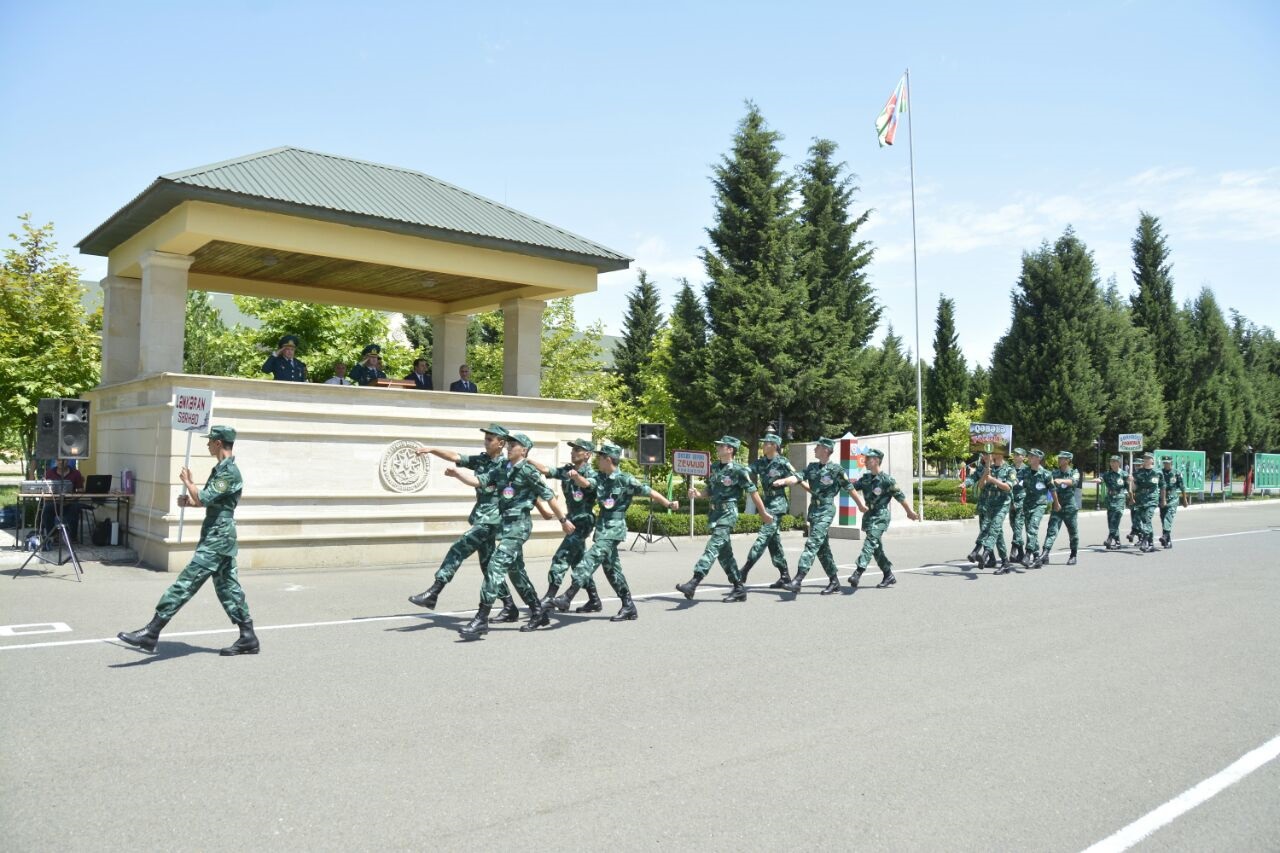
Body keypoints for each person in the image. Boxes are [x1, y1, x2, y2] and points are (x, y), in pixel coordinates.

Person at [117, 426, 258, 656]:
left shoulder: (229, 472)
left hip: (218, 537)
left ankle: (152, 631)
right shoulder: (223, 469)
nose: (208, 444)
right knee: (227, 587)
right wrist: (190, 503)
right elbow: (210, 502)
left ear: (219, 443)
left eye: (211, 440)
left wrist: (189, 482)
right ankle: (248, 637)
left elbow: (204, 497)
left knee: (186, 581)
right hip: (219, 533)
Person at [451, 433, 574, 637]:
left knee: (495, 566)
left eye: (513, 445)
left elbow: (549, 496)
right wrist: (457, 474)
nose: (508, 447)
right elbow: (479, 481)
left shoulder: (528, 470)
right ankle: (538, 612)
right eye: (508, 444)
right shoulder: (502, 468)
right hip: (504, 525)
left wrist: (563, 520)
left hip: (518, 527)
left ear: (524, 450)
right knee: (516, 572)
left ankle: (481, 619)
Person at [549, 441, 678, 623]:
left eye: (600, 457)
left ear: (608, 459)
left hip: (614, 529)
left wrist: (669, 504)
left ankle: (568, 596)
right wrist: (576, 476)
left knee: (591, 558)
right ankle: (628, 606)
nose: (597, 460)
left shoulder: (625, 479)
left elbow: (650, 492)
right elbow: (586, 483)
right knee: (612, 570)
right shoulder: (600, 478)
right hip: (602, 528)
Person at [407, 425, 519, 621]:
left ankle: (434, 592)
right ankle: (509, 606)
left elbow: (479, 482)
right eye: (486, 438)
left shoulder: (504, 466)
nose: (486, 441)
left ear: (501, 443)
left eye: (490, 439)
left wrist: (457, 474)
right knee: (488, 565)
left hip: (492, 519)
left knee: (458, 548)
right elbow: (456, 457)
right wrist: (432, 449)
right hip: (482, 516)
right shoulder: (483, 459)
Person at [676, 436, 771, 602]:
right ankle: (739, 587)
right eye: (718, 446)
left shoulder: (739, 470)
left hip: (728, 514)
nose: (718, 448)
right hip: (715, 514)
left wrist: (762, 513)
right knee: (724, 554)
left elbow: (753, 491)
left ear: (730, 449)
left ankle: (694, 582)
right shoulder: (714, 468)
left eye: (722, 446)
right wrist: (698, 494)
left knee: (712, 547)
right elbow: (710, 490)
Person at [526, 438, 602, 613]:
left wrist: (578, 477)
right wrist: (528, 460)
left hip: (583, 521)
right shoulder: (567, 470)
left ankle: (549, 597)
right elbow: (547, 470)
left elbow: (587, 484)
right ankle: (594, 600)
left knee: (562, 556)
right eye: (572, 449)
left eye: (577, 449)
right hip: (572, 518)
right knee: (577, 562)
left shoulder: (592, 474)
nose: (573, 452)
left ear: (587, 455)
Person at [773, 437, 854, 595]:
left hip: (826, 510)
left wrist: (861, 505)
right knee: (822, 549)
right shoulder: (812, 467)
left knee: (812, 543)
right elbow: (797, 477)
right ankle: (834, 581)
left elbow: (849, 488)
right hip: (815, 511)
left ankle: (798, 579)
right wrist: (784, 480)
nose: (815, 448)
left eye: (818, 446)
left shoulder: (836, 469)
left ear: (825, 450)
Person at [848, 447, 920, 587]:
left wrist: (909, 512)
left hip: (881, 516)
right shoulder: (866, 478)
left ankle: (858, 572)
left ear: (876, 461)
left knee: (870, 542)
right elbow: (850, 487)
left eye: (868, 459)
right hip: (869, 515)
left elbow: (900, 497)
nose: (865, 462)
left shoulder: (887, 480)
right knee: (876, 548)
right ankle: (888, 575)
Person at [740, 433, 796, 589]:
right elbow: (747, 469)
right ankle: (784, 575)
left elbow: (796, 476)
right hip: (767, 504)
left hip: (777, 505)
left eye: (766, 443)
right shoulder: (761, 462)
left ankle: (744, 570)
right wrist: (742, 473)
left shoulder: (783, 463)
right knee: (773, 542)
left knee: (764, 536)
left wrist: (784, 481)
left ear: (774, 445)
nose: (763, 445)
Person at [976, 447, 1016, 573]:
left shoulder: (1010, 469)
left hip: (1003, 504)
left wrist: (992, 479)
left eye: (995, 452)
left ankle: (985, 553)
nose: (991, 454)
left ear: (1002, 454)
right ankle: (1005, 562)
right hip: (990, 504)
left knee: (994, 528)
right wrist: (985, 473)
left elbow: (1008, 487)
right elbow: (981, 486)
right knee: (998, 534)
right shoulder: (990, 468)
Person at [1041, 451, 1081, 565]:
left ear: (1068, 460)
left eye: (1062, 458)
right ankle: (1045, 553)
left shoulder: (1074, 472)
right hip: (1057, 505)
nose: (1059, 460)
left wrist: (1062, 480)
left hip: (1070, 506)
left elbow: (1074, 481)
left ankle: (1073, 555)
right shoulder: (1055, 472)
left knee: (1072, 531)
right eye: (1059, 458)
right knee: (1051, 530)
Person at [1020, 449, 1055, 568]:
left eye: (1032, 456)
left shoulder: (1046, 474)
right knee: (1030, 530)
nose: (1029, 457)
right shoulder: (1025, 471)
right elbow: (1017, 482)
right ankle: (1036, 556)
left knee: (1032, 528)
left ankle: (1027, 554)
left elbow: (1052, 489)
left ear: (1038, 459)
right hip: (1027, 504)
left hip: (1040, 505)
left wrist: (1056, 503)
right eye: (1029, 456)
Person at [41, 458, 85, 545]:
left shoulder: (76, 473)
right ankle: (53, 536)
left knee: (74, 508)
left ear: (68, 461)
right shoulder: (49, 473)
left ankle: (73, 537)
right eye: (58, 460)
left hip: (70, 502)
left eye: (63, 460)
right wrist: (54, 499)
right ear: (56, 461)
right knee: (47, 509)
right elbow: (44, 491)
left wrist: (71, 499)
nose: (61, 462)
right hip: (54, 503)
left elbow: (80, 490)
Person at [964, 451, 995, 567]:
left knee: (987, 530)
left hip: (994, 505)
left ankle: (976, 551)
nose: (984, 457)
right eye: (984, 455)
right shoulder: (981, 468)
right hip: (983, 504)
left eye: (987, 454)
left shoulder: (998, 468)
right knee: (985, 530)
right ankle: (991, 558)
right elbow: (973, 478)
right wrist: (965, 483)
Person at [1094, 455, 1129, 549]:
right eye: (1111, 462)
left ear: (1119, 463)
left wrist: (1131, 497)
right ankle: (1117, 542)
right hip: (1110, 499)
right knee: (1111, 521)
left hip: (1120, 498)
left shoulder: (1124, 474)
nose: (1112, 464)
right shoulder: (1107, 474)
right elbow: (1101, 479)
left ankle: (1109, 538)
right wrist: (1096, 480)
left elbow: (1130, 486)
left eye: (1114, 462)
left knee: (1116, 518)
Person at [1130, 452, 1162, 554]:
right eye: (1145, 458)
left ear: (1152, 460)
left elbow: (1163, 486)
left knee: (1147, 518)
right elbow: (1134, 488)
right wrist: (1131, 482)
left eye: (1148, 458)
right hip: (1141, 500)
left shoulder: (1158, 472)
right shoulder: (1138, 473)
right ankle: (1151, 544)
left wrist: (1163, 499)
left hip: (1152, 499)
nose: (1146, 460)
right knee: (1145, 521)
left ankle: (1144, 541)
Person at [1158, 456, 1189, 548]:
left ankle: (1165, 536)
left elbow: (1182, 486)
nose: (1166, 464)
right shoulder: (1160, 473)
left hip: (1173, 498)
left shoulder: (1176, 473)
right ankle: (1168, 540)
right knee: (1163, 518)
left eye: (1168, 462)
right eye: (1165, 462)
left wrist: (1184, 499)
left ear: (1171, 462)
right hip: (1162, 497)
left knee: (1168, 516)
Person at [1007, 448, 1028, 564]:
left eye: (1018, 455)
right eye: (1015, 454)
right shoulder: (1009, 468)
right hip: (1011, 499)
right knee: (1013, 525)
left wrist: (1016, 484)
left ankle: (1013, 550)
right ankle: (1021, 552)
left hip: (1022, 500)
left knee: (1018, 525)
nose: (1015, 456)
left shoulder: (1026, 470)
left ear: (1023, 457)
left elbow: (1025, 484)